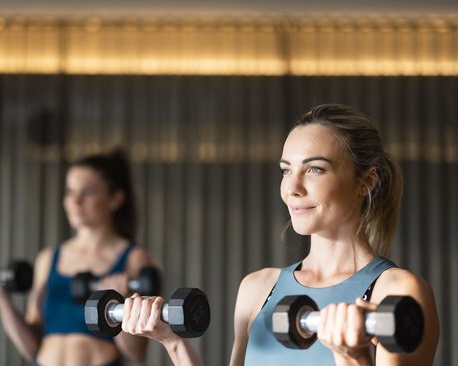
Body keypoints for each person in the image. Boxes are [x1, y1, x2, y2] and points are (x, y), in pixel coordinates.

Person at [120, 104, 440, 365]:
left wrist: (352, 355)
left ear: (366, 182)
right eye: (286, 170)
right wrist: (172, 341)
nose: (292, 189)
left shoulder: (397, 291)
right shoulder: (258, 288)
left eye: (315, 169)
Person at [0, 148, 154, 366]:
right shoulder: (48, 258)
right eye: (69, 192)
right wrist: (1, 298)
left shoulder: (134, 258)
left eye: (87, 192)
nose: (75, 201)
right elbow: (32, 348)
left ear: (115, 199)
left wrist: (117, 304)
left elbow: (136, 353)